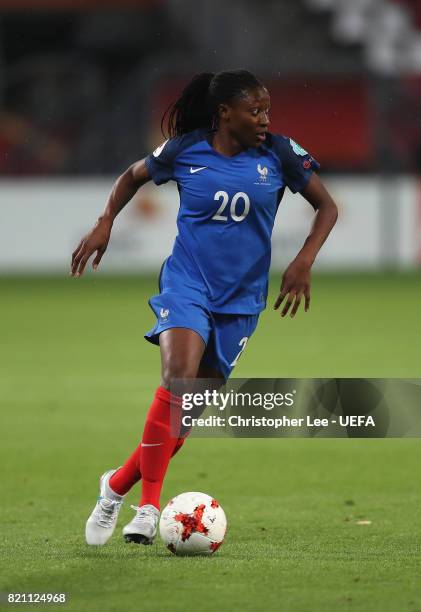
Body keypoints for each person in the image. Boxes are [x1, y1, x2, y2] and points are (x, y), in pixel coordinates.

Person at [70, 69, 338, 546]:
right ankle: (148, 509)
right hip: (187, 283)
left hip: (241, 300)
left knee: (183, 416)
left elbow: (327, 207)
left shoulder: (278, 153)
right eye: (254, 111)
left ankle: (113, 488)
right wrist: (105, 220)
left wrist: (303, 260)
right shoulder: (184, 151)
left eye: (267, 110)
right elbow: (133, 176)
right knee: (178, 377)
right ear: (224, 114)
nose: (264, 119)